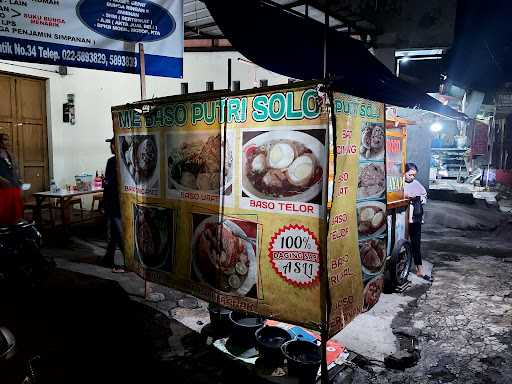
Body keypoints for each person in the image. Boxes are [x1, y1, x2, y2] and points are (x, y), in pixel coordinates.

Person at [100, 137, 125, 273]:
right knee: (115, 232)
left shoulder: (115, 162)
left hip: (115, 202)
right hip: (116, 201)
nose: (110, 146)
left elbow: (108, 184)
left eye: (112, 144)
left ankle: (128, 262)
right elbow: (107, 184)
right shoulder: (116, 161)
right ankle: (108, 257)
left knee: (119, 232)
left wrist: (104, 202)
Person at [404, 163, 432, 282]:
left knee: (416, 243)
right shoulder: (397, 183)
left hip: (415, 218)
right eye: (410, 174)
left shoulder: (416, 184)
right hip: (402, 219)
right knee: (402, 244)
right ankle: (403, 266)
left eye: (414, 175)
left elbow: (424, 196)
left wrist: (417, 198)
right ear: (404, 172)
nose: (412, 177)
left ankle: (419, 269)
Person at [0, 133, 23, 225]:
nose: (7, 142)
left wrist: (19, 179)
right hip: (2, 189)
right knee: (4, 213)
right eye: (5, 140)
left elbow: (16, 168)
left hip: (13, 186)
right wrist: (1, 180)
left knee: (15, 213)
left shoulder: (10, 154)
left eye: (8, 140)